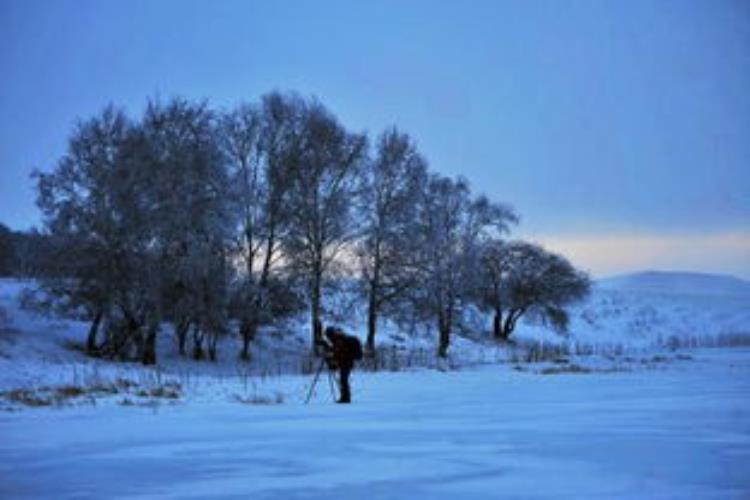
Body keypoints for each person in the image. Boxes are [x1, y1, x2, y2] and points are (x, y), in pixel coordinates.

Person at [320, 325, 362, 403]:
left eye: (327, 335)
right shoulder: (339, 339)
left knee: (343, 380)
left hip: (346, 362)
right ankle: (345, 397)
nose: (328, 337)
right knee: (343, 379)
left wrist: (328, 351)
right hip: (346, 361)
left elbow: (338, 352)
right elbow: (336, 351)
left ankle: (345, 398)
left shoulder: (338, 340)